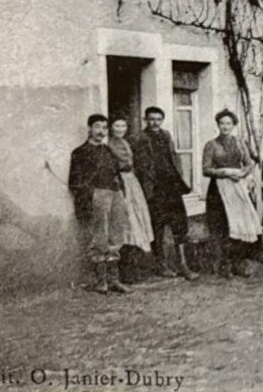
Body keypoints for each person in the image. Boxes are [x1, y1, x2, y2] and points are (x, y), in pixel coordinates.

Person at [129, 106, 197, 280]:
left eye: (158, 119)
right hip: (155, 190)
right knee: (157, 227)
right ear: (146, 120)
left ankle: (183, 264)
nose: (155, 122)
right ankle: (161, 265)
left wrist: (179, 178)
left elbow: (174, 158)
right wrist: (146, 186)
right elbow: (140, 166)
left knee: (180, 225)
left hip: (171, 187)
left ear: (162, 120)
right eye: (151, 119)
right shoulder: (139, 138)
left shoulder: (166, 135)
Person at [68, 113, 130, 295]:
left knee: (116, 236)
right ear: (89, 129)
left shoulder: (108, 150)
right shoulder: (79, 152)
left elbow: (117, 174)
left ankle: (114, 280)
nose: (101, 131)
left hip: (115, 194)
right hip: (97, 197)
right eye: (97, 127)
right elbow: (74, 182)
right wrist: (92, 195)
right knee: (99, 238)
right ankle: (101, 281)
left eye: (104, 127)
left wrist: (120, 192)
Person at [202, 109, 263, 277]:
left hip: (238, 187)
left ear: (233, 125)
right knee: (223, 226)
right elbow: (206, 169)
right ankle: (224, 265)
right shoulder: (211, 145)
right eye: (222, 123)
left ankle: (238, 263)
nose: (225, 127)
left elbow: (250, 163)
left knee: (239, 224)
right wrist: (225, 172)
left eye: (228, 123)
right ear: (218, 125)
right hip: (219, 190)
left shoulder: (240, 142)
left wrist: (243, 174)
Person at [109, 117, 155, 283]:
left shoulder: (126, 142)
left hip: (131, 181)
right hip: (120, 182)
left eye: (123, 125)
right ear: (111, 127)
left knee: (138, 220)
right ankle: (124, 271)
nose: (120, 129)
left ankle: (135, 268)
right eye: (117, 125)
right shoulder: (109, 144)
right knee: (127, 222)